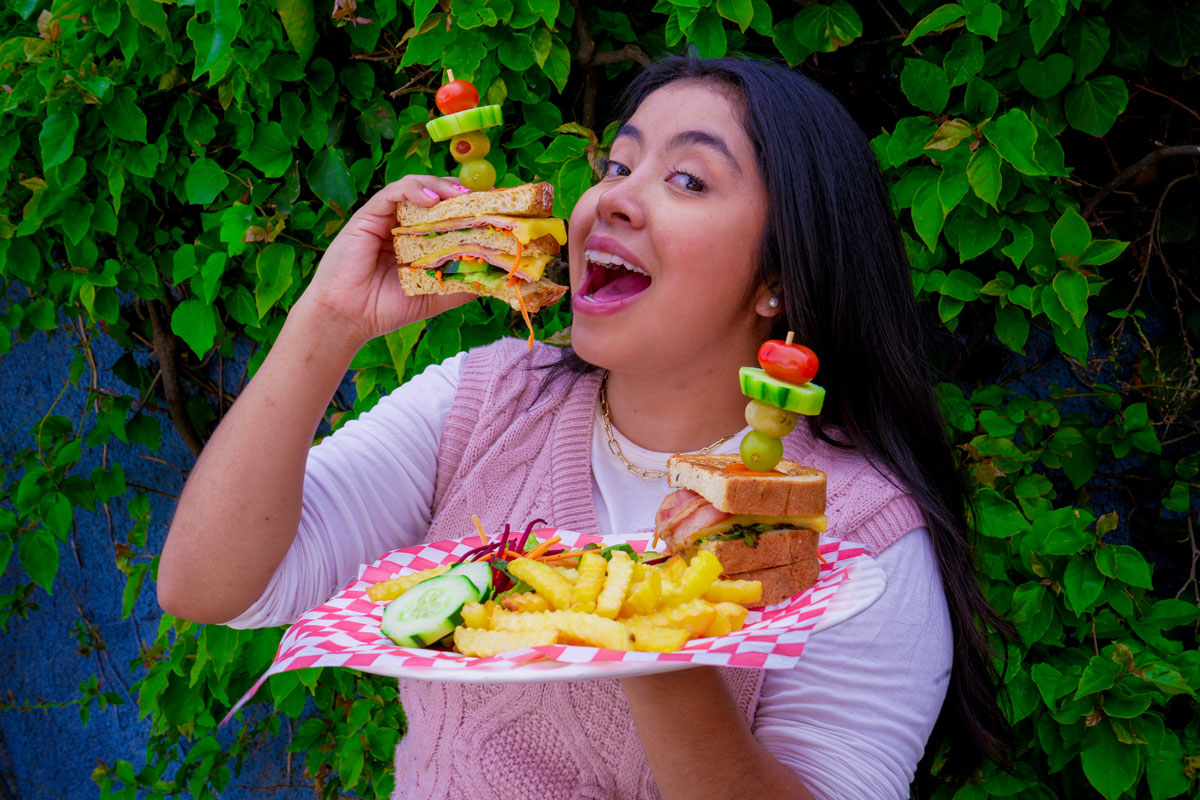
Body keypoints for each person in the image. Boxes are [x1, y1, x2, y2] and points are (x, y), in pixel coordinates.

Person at [158, 55, 1009, 799]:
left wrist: (659, 643)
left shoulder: (854, 529)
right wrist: (329, 319)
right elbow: (209, 586)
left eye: (687, 180)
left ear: (777, 280)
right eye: (617, 163)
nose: (614, 200)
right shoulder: (488, 401)